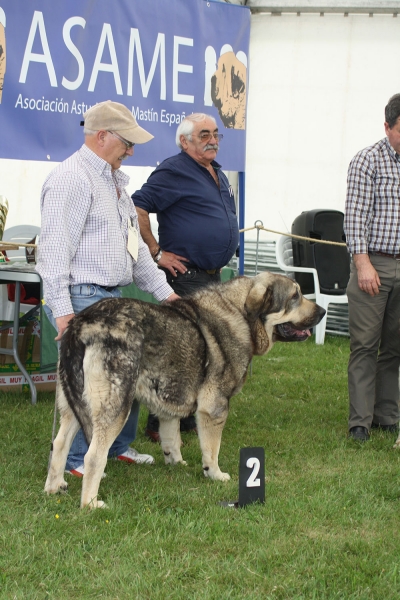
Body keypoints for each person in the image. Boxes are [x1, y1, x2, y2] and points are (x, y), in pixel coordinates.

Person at [36, 100, 179, 476]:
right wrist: (63, 312)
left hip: (113, 298)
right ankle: (74, 463)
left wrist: (167, 295)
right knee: (93, 389)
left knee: (125, 380)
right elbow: (53, 252)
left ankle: (115, 448)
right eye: (126, 143)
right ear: (102, 137)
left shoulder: (115, 184)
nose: (131, 151)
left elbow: (138, 253)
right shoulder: (71, 178)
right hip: (83, 298)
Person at [132, 112, 239, 441]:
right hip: (186, 276)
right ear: (185, 141)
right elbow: (136, 207)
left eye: (216, 134)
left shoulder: (216, 172)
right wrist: (156, 252)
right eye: (204, 134)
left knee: (202, 350)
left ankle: (187, 416)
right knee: (180, 351)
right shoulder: (174, 169)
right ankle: (159, 423)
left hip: (212, 276)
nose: (213, 140)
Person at [344, 93, 400, 442]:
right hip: (374, 263)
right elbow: (355, 217)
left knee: (394, 347)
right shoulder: (368, 160)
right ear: (387, 126)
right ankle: (360, 423)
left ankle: (387, 415)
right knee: (365, 345)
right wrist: (362, 264)